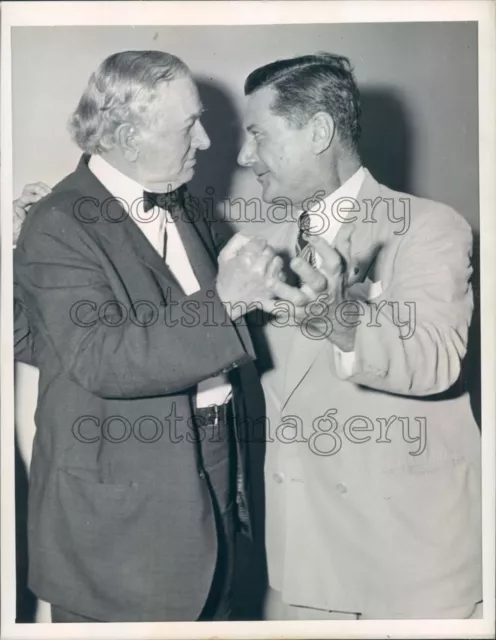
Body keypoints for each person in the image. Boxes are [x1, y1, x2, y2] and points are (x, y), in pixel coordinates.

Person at [13, 50, 279, 623]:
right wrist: (229, 301)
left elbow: (191, 329)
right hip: (120, 527)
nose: (207, 141)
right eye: (189, 125)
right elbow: (103, 357)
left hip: (215, 477)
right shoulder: (59, 222)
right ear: (129, 136)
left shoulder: (183, 205)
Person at [231, 52, 482, 620]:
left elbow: (435, 359)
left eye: (257, 135)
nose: (247, 157)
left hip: (407, 569)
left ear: (319, 131)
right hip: (298, 567)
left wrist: (339, 317)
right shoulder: (255, 244)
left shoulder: (427, 227)